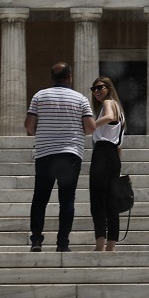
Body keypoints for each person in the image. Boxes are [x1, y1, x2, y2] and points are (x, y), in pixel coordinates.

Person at [24, 62, 95, 252]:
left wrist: (45, 132)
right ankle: (62, 243)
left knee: (40, 198)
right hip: (70, 154)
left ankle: (36, 240)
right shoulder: (80, 99)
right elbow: (89, 128)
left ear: (52, 78)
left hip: (45, 154)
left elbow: (29, 126)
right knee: (67, 200)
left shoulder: (40, 96)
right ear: (69, 77)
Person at [88, 75, 125, 251]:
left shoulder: (108, 104)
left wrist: (91, 126)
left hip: (102, 153)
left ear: (109, 89)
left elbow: (109, 116)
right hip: (113, 156)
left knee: (97, 200)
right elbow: (120, 144)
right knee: (111, 202)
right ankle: (111, 245)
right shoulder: (121, 111)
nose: (96, 91)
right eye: (94, 88)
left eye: (100, 87)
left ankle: (99, 245)